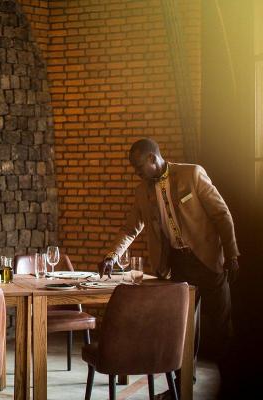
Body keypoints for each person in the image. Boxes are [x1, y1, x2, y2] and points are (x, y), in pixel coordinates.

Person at [98, 138, 239, 395]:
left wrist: (231, 254)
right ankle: (180, 389)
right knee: (181, 331)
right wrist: (112, 256)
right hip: (177, 266)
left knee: (221, 330)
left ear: (153, 158)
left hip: (209, 262)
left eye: (139, 167)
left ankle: (233, 384)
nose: (137, 173)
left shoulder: (192, 174)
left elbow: (221, 214)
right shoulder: (142, 192)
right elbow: (130, 229)